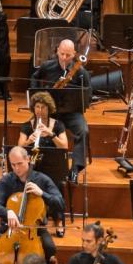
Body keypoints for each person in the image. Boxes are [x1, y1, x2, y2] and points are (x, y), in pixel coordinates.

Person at [28, 38, 92, 172]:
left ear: (74, 54)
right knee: (32, 128)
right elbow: (34, 78)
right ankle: (36, 166)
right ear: (57, 51)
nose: (64, 58)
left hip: (72, 113)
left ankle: (75, 169)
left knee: (83, 130)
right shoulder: (47, 66)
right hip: (49, 112)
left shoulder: (81, 73)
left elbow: (88, 97)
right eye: (62, 53)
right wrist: (35, 97)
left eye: (68, 55)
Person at [0, 146, 64, 261]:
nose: (16, 168)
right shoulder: (6, 180)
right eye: (13, 165)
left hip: (35, 228)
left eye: (19, 164)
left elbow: (60, 204)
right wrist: (8, 212)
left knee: (50, 248)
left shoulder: (43, 180)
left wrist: (42, 193)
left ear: (28, 159)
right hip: (10, 227)